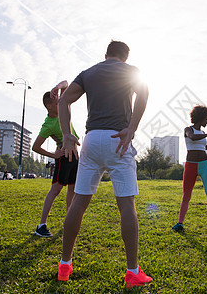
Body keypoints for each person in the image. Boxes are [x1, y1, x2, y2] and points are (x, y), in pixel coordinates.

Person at [55, 40, 152, 288]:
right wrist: (131, 128)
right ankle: (132, 272)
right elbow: (144, 94)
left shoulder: (88, 72)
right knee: (126, 204)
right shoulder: (132, 72)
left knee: (78, 202)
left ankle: (65, 265)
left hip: (91, 139)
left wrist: (66, 134)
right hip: (117, 138)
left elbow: (63, 101)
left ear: (106, 54)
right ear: (126, 58)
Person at [32, 81, 79, 237]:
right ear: (49, 106)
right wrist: (54, 155)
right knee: (56, 190)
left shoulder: (65, 110)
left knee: (72, 190)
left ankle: (69, 221)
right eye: (57, 102)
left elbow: (66, 83)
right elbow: (35, 147)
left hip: (75, 157)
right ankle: (41, 225)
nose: (61, 102)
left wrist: (57, 88)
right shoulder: (49, 124)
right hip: (64, 158)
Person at [171, 105, 207, 237]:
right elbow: (193, 138)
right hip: (191, 165)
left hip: (204, 165)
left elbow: (203, 146)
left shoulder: (201, 133)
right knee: (186, 195)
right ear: (201, 118)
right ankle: (180, 224)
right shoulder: (188, 130)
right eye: (206, 119)